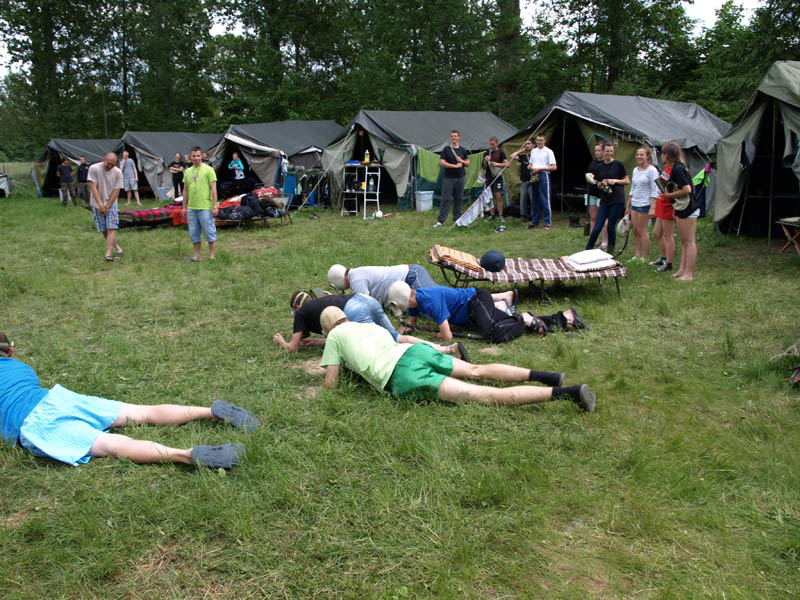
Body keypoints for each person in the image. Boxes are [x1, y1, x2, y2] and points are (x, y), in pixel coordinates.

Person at [0, 334, 256, 468]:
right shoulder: (22, 368)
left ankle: (185, 455)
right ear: (10, 351)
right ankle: (210, 411)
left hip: (33, 423)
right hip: (57, 399)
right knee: (142, 412)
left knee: (111, 444)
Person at [319, 307, 596, 411]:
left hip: (402, 374)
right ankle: (547, 377)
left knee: (484, 395)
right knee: (477, 370)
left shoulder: (334, 337)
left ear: (327, 329)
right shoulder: (367, 326)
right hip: (415, 352)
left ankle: (569, 394)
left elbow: (331, 384)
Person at [273, 291, 468, 360]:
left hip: (354, 310)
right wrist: (319, 342)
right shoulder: (319, 303)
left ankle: (425, 357)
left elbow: (293, 348)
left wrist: (281, 341)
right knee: (397, 338)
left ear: (297, 307)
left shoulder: (300, 313)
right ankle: (445, 349)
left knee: (384, 346)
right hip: (365, 299)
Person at [386, 282, 587, 344]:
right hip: (471, 315)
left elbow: (447, 336)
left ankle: (523, 317)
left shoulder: (430, 300)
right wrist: (402, 332)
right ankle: (565, 318)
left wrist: (435, 335)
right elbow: (411, 322)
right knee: (503, 326)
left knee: (492, 334)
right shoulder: (413, 302)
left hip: (476, 301)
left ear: (405, 300)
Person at [660, 141, 697, 281]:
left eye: (662, 153)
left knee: (690, 241)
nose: (661, 156)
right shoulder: (676, 168)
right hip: (681, 208)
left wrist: (669, 195)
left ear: (666, 155)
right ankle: (682, 270)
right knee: (684, 241)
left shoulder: (678, 169)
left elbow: (687, 189)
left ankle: (689, 274)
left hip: (689, 208)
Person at [585, 141, 629, 253]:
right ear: (603, 152)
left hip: (617, 199)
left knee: (610, 226)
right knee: (597, 227)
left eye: (611, 151)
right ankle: (587, 249)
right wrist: (601, 183)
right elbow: (597, 184)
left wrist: (615, 181)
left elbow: (627, 181)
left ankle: (610, 250)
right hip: (605, 199)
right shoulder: (599, 167)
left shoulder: (619, 165)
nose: (609, 153)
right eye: (607, 151)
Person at [327, 263, 438, 305]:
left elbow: (364, 304)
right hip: (409, 276)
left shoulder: (355, 279)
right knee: (433, 301)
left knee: (432, 301)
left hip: (410, 276)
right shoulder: (355, 275)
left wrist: (336, 302)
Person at [182, 145, 219, 262]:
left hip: (205, 207)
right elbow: (185, 190)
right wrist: (184, 207)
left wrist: (214, 206)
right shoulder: (187, 171)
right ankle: (197, 256)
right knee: (194, 232)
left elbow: (213, 189)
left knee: (209, 231)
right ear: (190, 157)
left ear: (201, 156)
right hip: (192, 207)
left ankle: (212, 256)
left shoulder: (209, 170)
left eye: (198, 156)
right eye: (194, 156)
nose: (196, 158)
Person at [87, 152, 124, 262]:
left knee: (111, 227)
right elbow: (93, 187)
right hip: (96, 202)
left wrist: (107, 205)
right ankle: (118, 248)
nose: (110, 166)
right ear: (104, 160)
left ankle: (108, 253)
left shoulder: (118, 172)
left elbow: (116, 190)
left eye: (113, 164)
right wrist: (100, 204)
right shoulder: (94, 168)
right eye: (108, 163)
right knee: (103, 228)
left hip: (111, 203)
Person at [625, 146, 659, 261]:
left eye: (641, 155)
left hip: (645, 204)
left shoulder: (652, 170)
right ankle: (637, 254)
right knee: (635, 230)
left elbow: (655, 189)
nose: (639, 157)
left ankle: (645, 256)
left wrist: (653, 207)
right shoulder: (635, 170)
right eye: (637, 155)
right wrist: (628, 205)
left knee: (642, 230)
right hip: (635, 203)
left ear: (647, 157)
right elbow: (633, 188)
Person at [434, 130, 470, 228]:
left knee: (459, 199)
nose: (453, 138)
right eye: (452, 136)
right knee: (445, 199)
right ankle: (440, 221)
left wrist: (461, 161)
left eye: (455, 136)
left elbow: (468, 163)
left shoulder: (462, 150)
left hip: (461, 177)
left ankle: (457, 220)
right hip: (449, 178)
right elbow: (442, 162)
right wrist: (454, 166)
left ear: (459, 137)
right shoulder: (446, 149)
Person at [527, 134, 557, 230]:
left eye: (541, 140)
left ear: (545, 141)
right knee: (535, 200)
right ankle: (535, 222)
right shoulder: (533, 151)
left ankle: (548, 223)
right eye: (537, 140)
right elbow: (531, 163)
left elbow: (554, 167)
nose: (539, 142)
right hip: (534, 174)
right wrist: (530, 166)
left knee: (545, 199)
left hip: (544, 175)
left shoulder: (548, 151)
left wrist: (541, 169)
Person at [650, 163, 674, 272]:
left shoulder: (675, 168)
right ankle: (663, 257)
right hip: (661, 202)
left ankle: (669, 263)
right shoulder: (667, 167)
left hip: (668, 205)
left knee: (668, 235)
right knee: (656, 232)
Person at [584, 142, 608, 248]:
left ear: (604, 151)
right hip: (591, 192)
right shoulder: (592, 163)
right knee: (593, 217)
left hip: (601, 193)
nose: (597, 152)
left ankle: (605, 240)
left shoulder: (606, 164)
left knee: (602, 217)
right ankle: (595, 239)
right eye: (596, 151)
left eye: (599, 150)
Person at [482, 136, 509, 222]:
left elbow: (507, 164)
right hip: (488, 177)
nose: (491, 146)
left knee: (498, 196)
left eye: (492, 144)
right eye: (490, 144)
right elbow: (483, 167)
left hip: (498, 177)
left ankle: (501, 215)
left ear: (497, 144)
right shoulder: (487, 153)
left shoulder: (501, 152)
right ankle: (492, 214)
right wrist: (485, 161)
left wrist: (497, 164)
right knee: (490, 197)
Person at [510, 139, 533, 220]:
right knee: (523, 199)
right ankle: (523, 215)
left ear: (533, 145)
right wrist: (522, 150)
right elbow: (512, 156)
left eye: (529, 144)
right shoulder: (523, 156)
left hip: (532, 180)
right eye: (526, 144)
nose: (527, 145)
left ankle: (533, 215)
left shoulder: (535, 155)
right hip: (524, 180)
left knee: (533, 199)